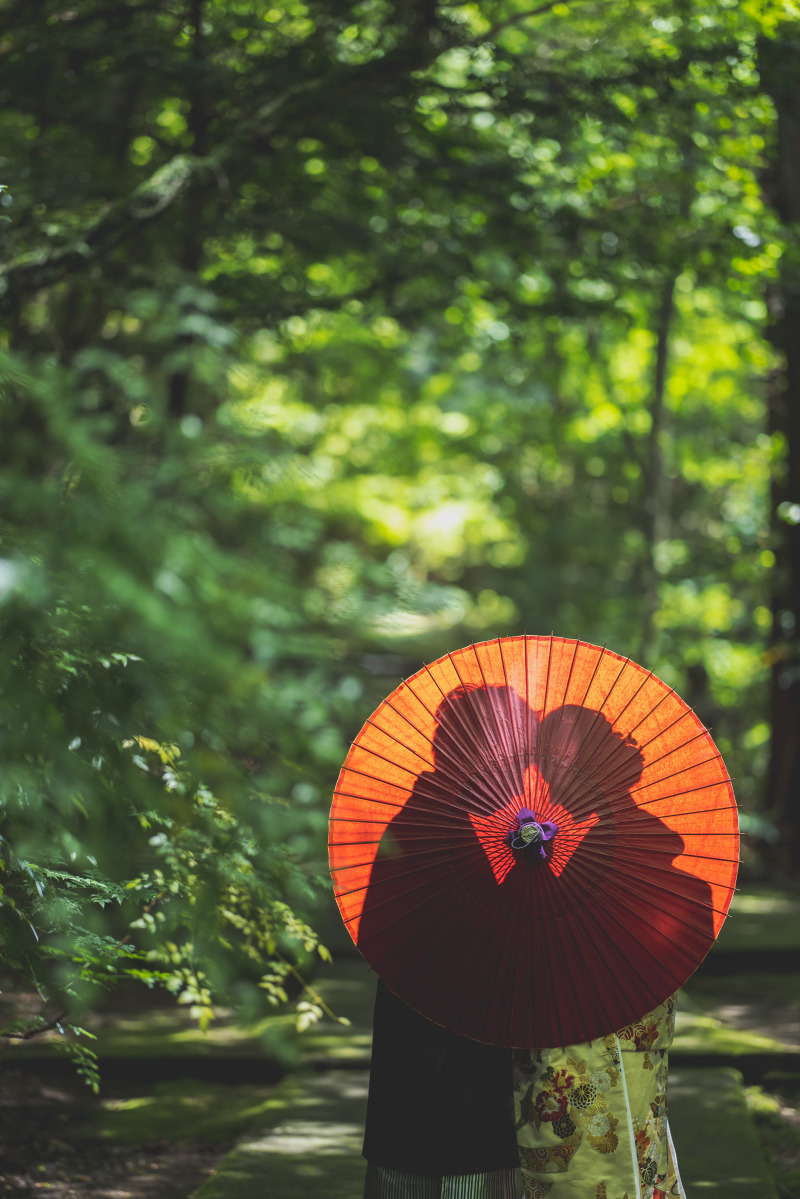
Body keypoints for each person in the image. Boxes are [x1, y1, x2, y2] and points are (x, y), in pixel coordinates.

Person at [359, 687, 707, 1199]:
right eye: (522, 759)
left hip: (577, 1026)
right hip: (450, 1028)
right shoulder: (442, 824)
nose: (530, 774)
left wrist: (532, 880)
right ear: (476, 751)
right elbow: (498, 931)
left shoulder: (446, 815)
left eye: (540, 766)